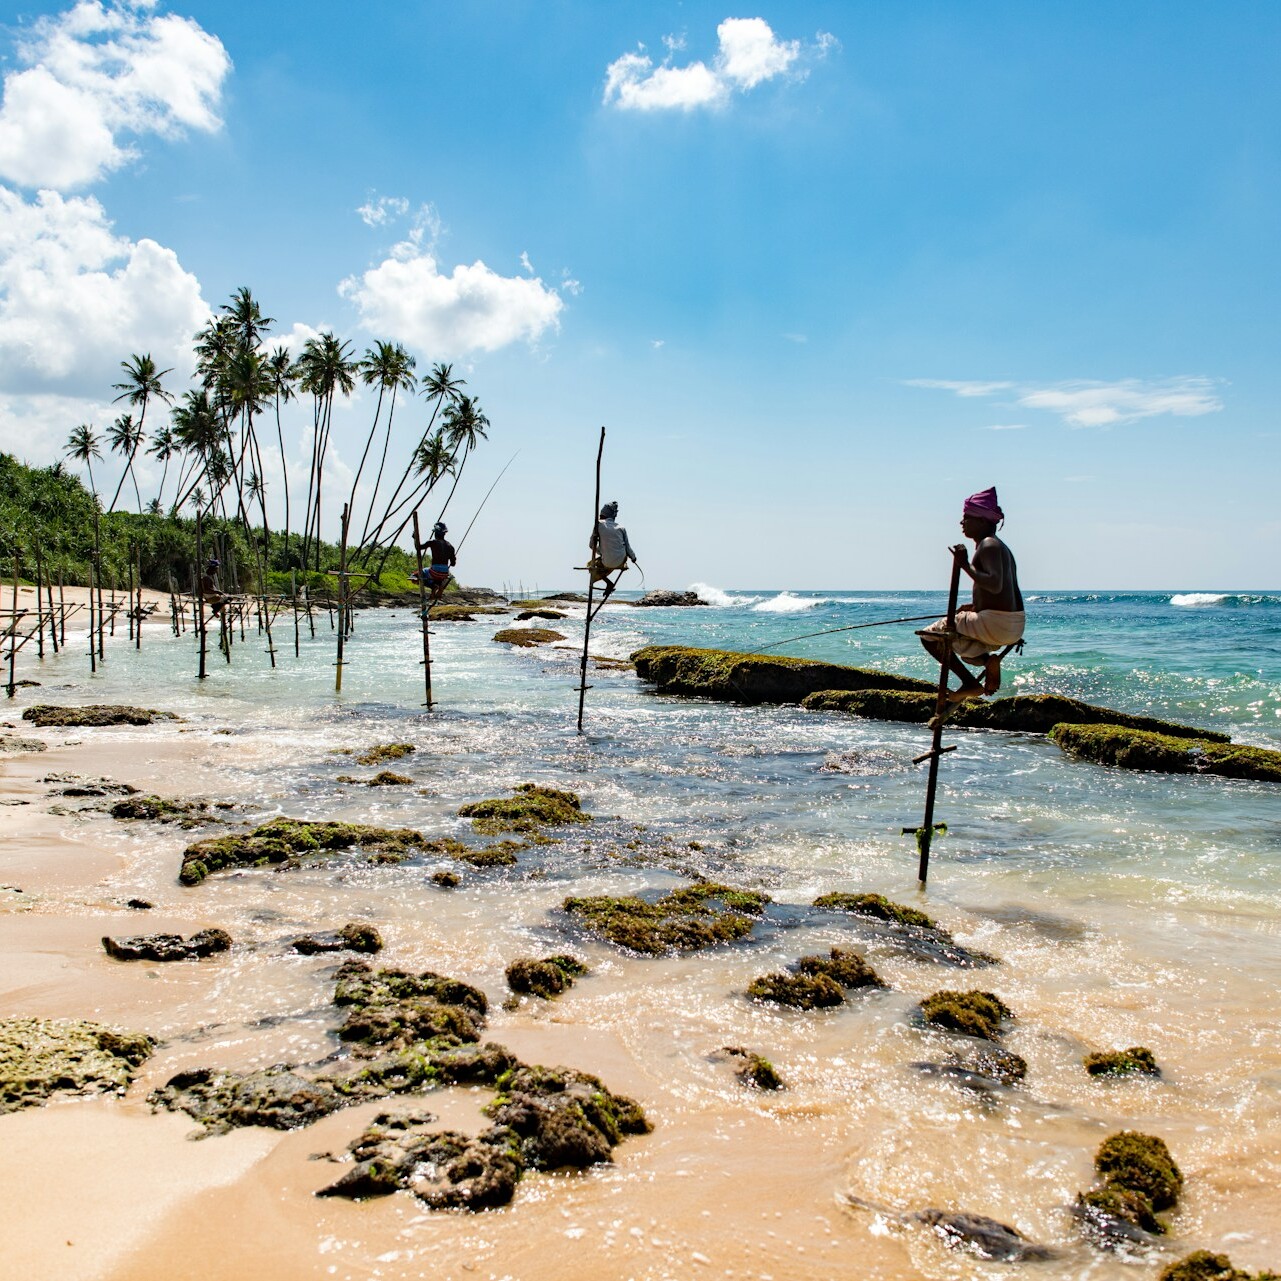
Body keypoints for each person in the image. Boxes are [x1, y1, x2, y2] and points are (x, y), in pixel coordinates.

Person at [919, 487, 1024, 701]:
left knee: (929, 636)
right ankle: (988, 661)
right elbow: (1002, 592)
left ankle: (969, 684)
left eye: (967, 517)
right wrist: (975, 606)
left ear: (983, 521)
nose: (962, 522)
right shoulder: (1001, 548)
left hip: (995, 623)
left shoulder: (988, 544)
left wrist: (964, 565)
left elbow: (994, 584)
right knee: (966, 652)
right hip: (1012, 625)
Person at [587, 501, 638, 599]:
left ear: (603, 515)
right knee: (616, 556)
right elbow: (627, 547)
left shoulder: (598, 525)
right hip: (621, 561)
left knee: (590, 565)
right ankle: (609, 583)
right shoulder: (621, 528)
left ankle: (608, 583)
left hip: (606, 562)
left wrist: (601, 551)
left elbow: (591, 545)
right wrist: (633, 558)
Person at [417, 521, 456, 605]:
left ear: (435, 533)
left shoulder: (432, 542)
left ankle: (434, 587)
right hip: (445, 573)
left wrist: (415, 538)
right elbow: (453, 563)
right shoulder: (450, 546)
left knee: (418, 574)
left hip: (435, 572)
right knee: (437, 576)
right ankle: (437, 588)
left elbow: (418, 547)